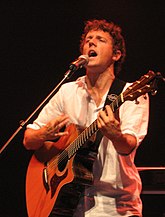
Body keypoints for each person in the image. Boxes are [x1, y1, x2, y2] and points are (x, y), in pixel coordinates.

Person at [23, 19, 149, 217]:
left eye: (100, 40)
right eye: (88, 39)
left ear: (116, 55)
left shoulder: (133, 94)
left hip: (116, 207)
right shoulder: (67, 91)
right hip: (67, 205)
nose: (91, 43)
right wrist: (43, 134)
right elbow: (29, 140)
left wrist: (116, 135)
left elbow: (128, 146)